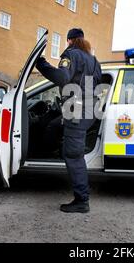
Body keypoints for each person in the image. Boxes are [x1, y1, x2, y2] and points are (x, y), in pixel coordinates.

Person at [35, 28, 102, 213]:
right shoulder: (93, 60)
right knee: (55, 126)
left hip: (76, 111)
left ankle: (82, 201)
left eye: (67, 41)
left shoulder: (71, 54)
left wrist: (41, 64)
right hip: (89, 111)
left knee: (73, 155)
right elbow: (95, 83)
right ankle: (51, 149)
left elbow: (62, 77)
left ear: (70, 41)